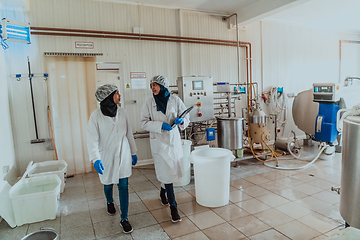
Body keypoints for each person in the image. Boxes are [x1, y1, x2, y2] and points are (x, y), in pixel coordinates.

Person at [87, 84, 138, 233]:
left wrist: (133, 151)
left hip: (123, 154)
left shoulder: (122, 112)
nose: (119, 95)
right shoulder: (95, 116)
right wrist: (95, 159)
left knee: (123, 185)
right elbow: (92, 140)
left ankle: (124, 218)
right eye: (116, 93)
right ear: (108, 97)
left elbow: (128, 133)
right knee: (108, 184)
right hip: (106, 156)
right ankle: (109, 201)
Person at [140, 75, 190, 223]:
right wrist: (160, 125)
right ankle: (173, 207)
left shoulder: (175, 100)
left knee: (170, 171)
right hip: (159, 143)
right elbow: (143, 123)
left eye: (155, 85)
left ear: (163, 86)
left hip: (173, 141)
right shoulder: (149, 103)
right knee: (166, 173)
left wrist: (182, 122)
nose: (153, 88)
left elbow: (186, 116)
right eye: (151, 86)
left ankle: (163, 192)